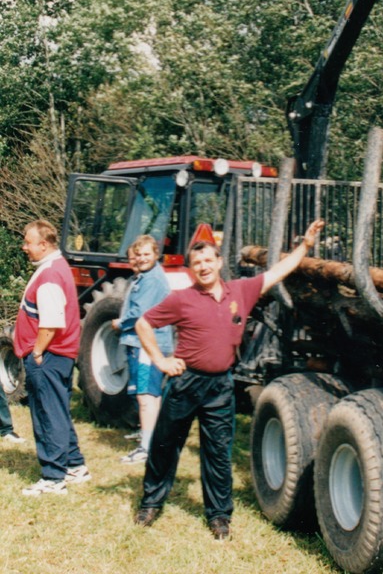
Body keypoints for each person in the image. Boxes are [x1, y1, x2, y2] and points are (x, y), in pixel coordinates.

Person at [133, 218, 325, 540]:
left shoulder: (242, 290)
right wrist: (160, 360)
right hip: (185, 383)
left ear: (220, 262)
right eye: (197, 263)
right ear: (191, 269)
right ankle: (151, 503)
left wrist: (305, 245)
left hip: (221, 385)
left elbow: (279, 271)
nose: (204, 267)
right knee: (165, 446)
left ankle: (219, 516)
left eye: (209, 260)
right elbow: (143, 324)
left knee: (218, 453)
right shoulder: (182, 298)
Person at [14, 220, 90, 496]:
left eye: (28, 242)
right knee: (57, 411)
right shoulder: (57, 268)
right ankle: (75, 464)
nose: (24, 247)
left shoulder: (49, 276)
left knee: (46, 415)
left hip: (48, 356)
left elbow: (51, 322)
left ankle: (53, 476)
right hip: (58, 355)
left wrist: (36, 351)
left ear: (43, 244)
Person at [112, 236, 173, 464]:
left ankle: (146, 448)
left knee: (146, 395)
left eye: (147, 254)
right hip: (142, 343)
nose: (143, 258)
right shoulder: (145, 277)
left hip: (147, 344)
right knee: (149, 394)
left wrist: (119, 323)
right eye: (139, 255)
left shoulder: (152, 280)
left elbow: (139, 313)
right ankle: (148, 436)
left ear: (156, 254)